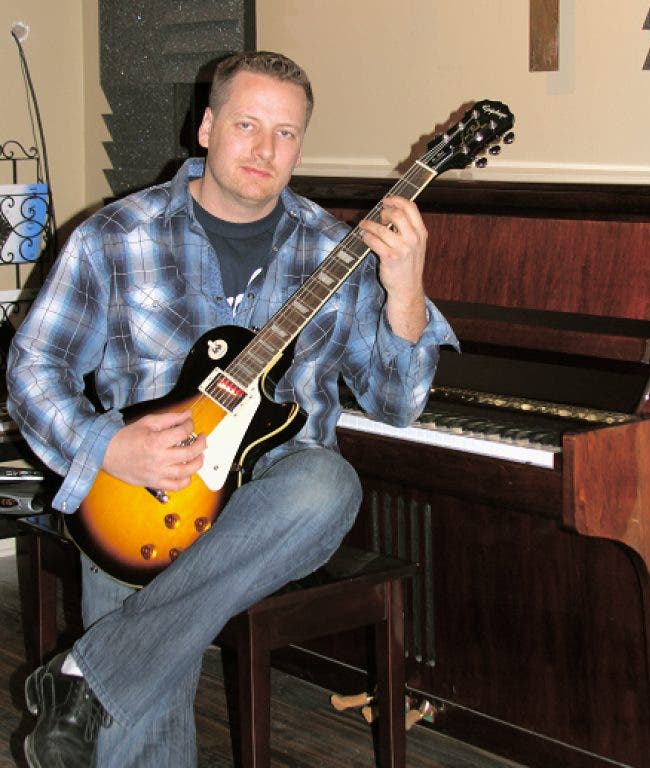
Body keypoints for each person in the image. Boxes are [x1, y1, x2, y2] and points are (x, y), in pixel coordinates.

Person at [7, 50, 456, 767]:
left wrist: (406, 290)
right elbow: (34, 366)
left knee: (328, 483)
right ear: (207, 127)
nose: (264, 149)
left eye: (285, 133)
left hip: (277, 504)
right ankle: (103, 678)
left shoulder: (335, 251)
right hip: (144, 493)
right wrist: (106, 446)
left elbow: (397, 404)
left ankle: (91, 671)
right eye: (247, 124)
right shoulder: (114, 237)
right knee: (139, 733)